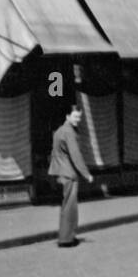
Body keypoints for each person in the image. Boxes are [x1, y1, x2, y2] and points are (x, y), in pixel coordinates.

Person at [49, 105, 94, 247]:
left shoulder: (59, 131)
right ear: (67, 116)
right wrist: (86, 174)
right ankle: (66, 239)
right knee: (70, 207)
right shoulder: (69, 132)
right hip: (69, 174)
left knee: (66, 206)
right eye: (75, 116)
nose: (78, 120)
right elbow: (76, 155)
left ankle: (66, 236)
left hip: (60, 173)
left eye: (79, 117)